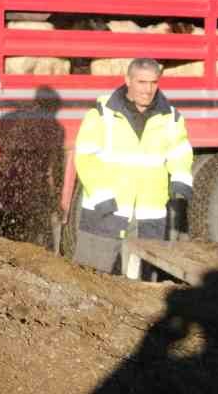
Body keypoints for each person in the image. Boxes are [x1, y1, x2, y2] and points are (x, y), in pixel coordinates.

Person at [71, 57, 193, 272]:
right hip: (105, 212)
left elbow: (180, 152)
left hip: (149, 218)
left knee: (138, 291)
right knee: (89, 280)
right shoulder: (102, 113)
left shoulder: (171, 117)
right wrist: (102, 197)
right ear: (128, 80)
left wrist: (180, 182)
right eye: (141, 82)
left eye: (153, 83)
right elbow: (86, 157)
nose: (148, 90)